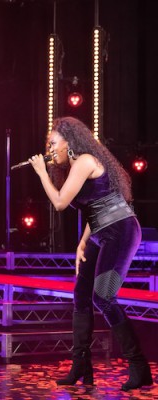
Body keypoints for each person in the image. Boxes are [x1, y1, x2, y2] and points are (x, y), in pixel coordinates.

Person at [29, 116, 153, 391]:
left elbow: (61, 202)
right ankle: (81, 366)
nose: (49, 148)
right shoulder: (73, 167)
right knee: (81, 296)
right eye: (48, 144)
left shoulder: (84, 160)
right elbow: (94, 207)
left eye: (53, 143)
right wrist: (83, 242)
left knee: (104, 297)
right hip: (99, 232)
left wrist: (40, 172)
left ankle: (139, 366)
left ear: (69, 142)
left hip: (120, 230)